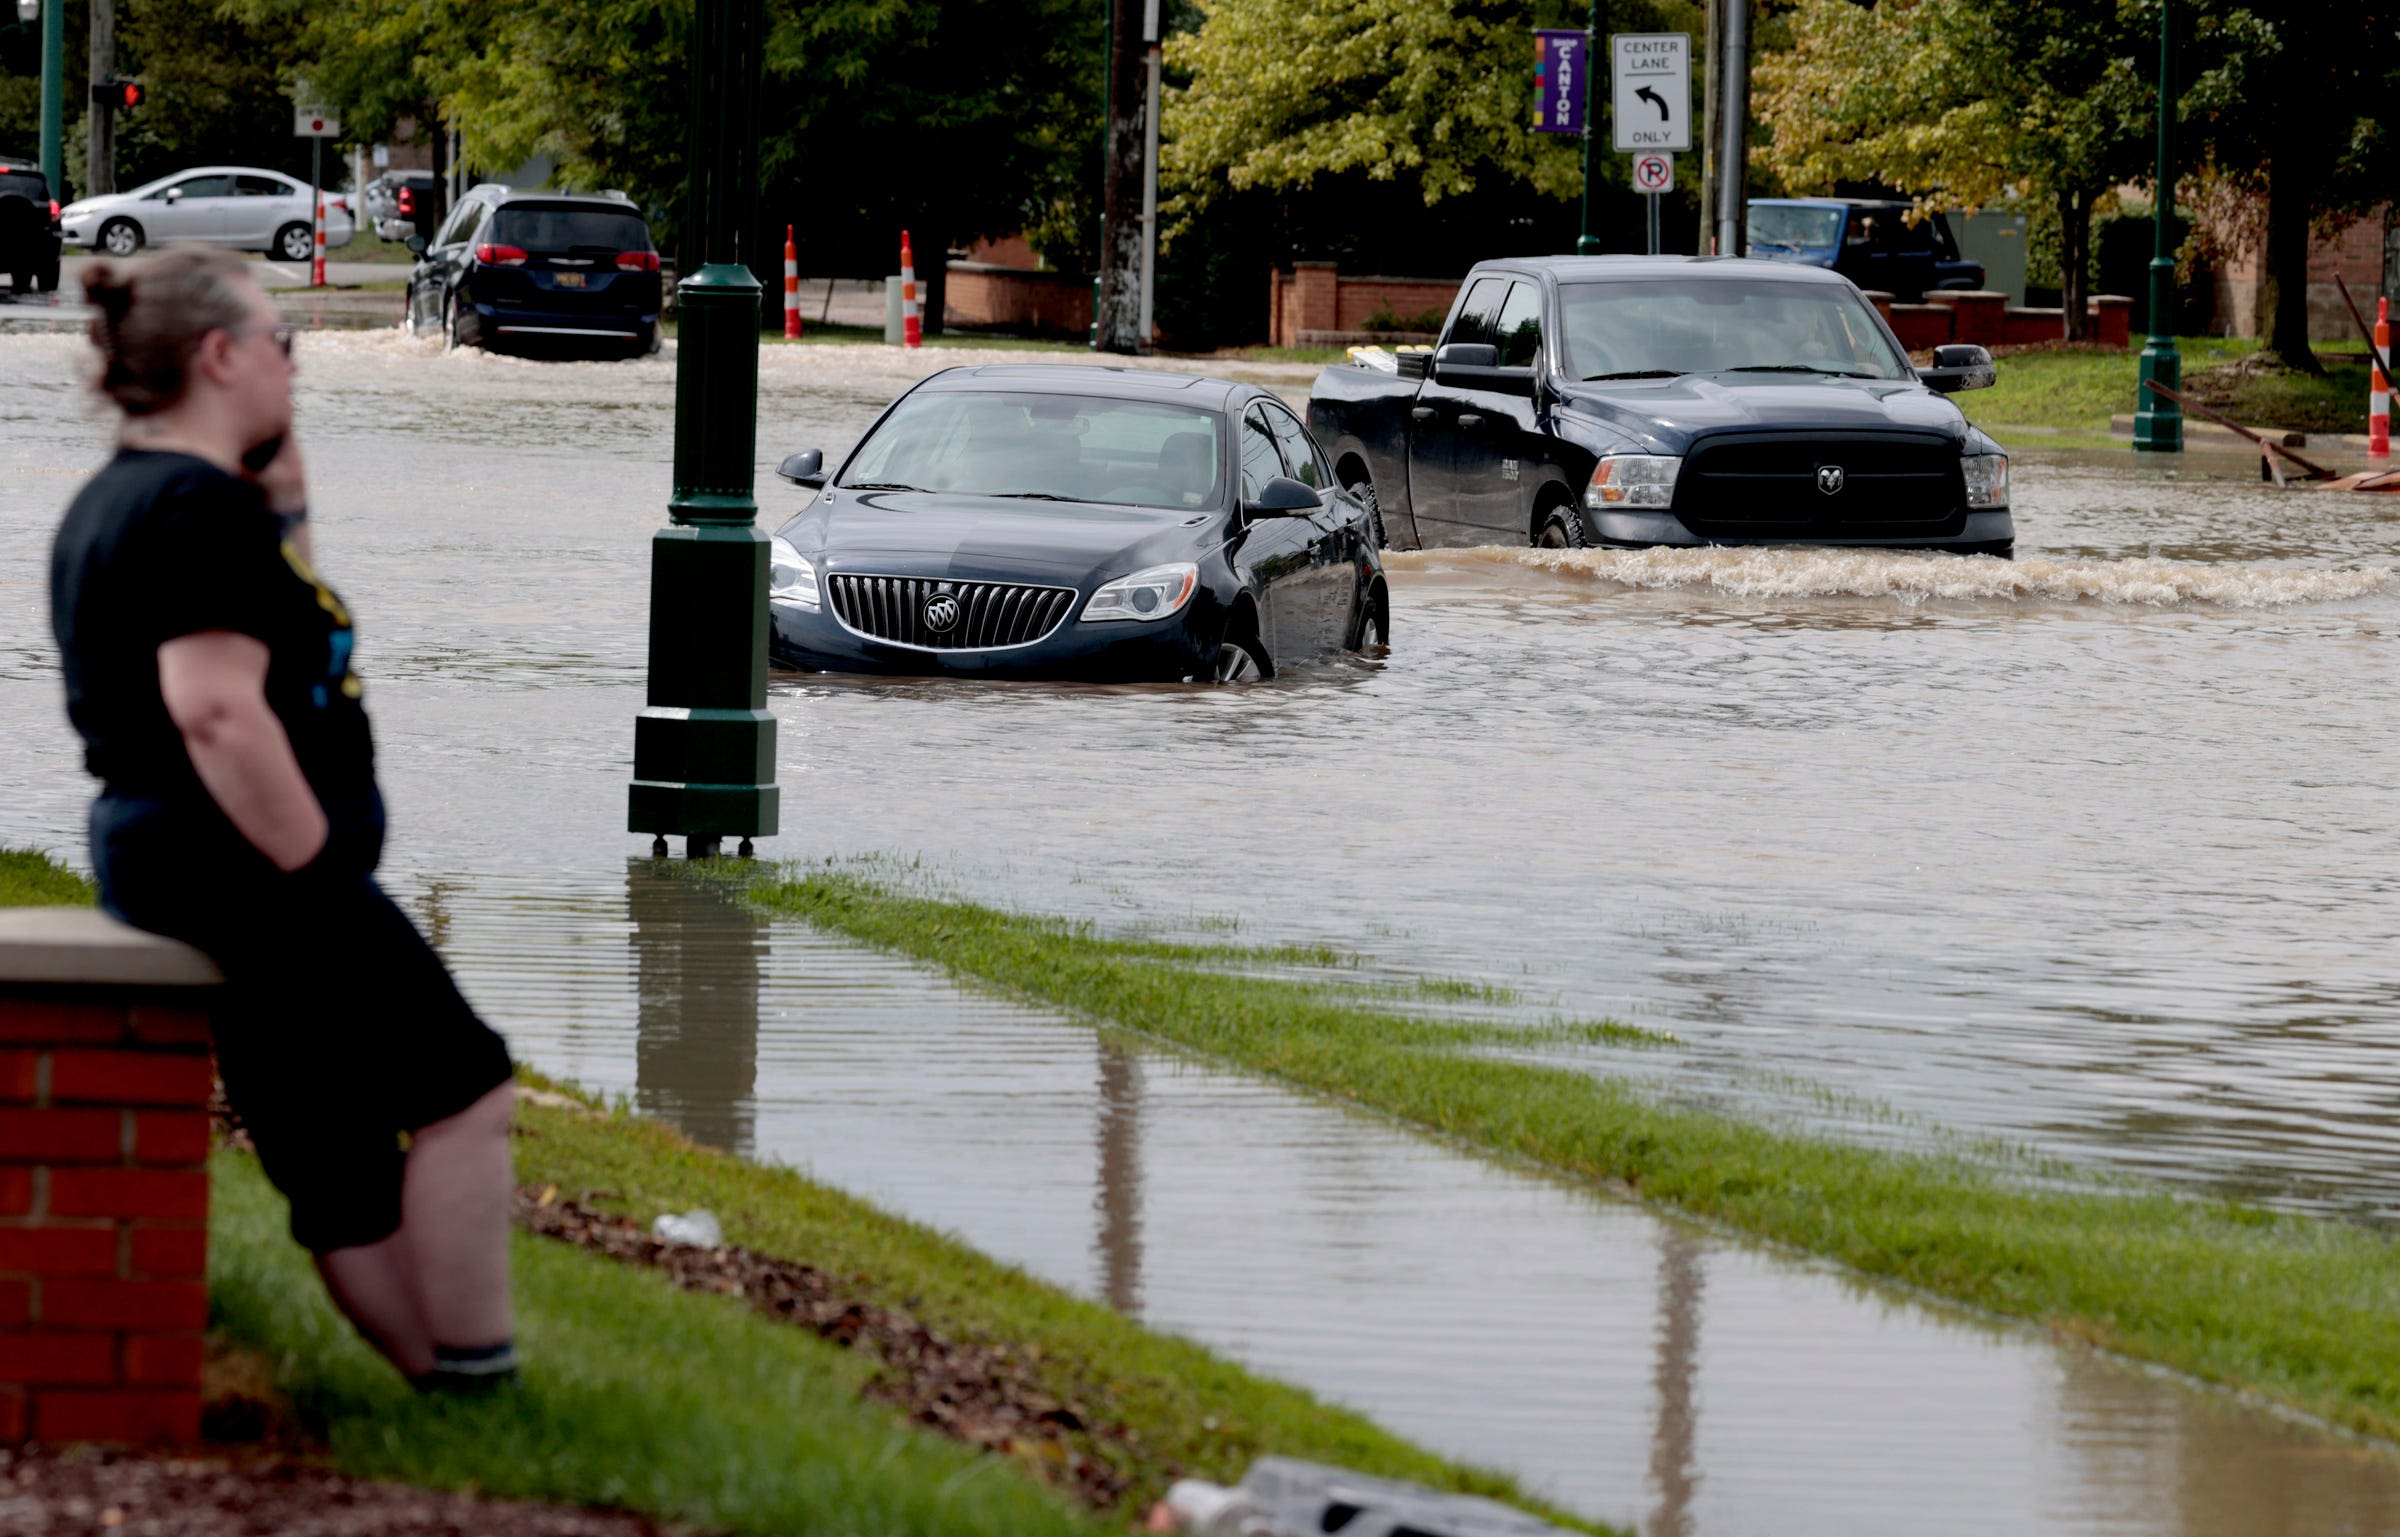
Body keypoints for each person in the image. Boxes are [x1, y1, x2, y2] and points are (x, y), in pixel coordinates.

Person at [47, 245, 519, 1392]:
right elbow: (212, 709)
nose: (292, 364)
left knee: (338, 1158)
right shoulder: (194, 511)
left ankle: (441, 1393)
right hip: (249, 866)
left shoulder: (131, 496)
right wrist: (317, 875)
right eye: (279, 341)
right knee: (466, 1090)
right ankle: (476, 1372)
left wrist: (281, 467)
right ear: (218, 354)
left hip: (182, 855)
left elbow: (284, 579)